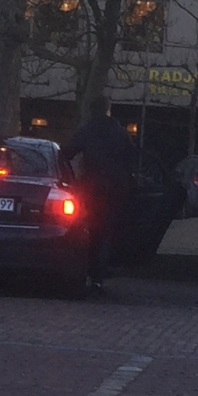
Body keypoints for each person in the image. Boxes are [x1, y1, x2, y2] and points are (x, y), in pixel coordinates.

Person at [59, 113, 136, 287]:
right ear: (109, 111)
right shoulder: (121, 133)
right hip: (116, 188)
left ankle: (88, 269)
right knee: (108, 230)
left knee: (89, 227)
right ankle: (100, 274)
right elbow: (132, 159)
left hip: (92, 187)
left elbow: (68, 152)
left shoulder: (87, 130)